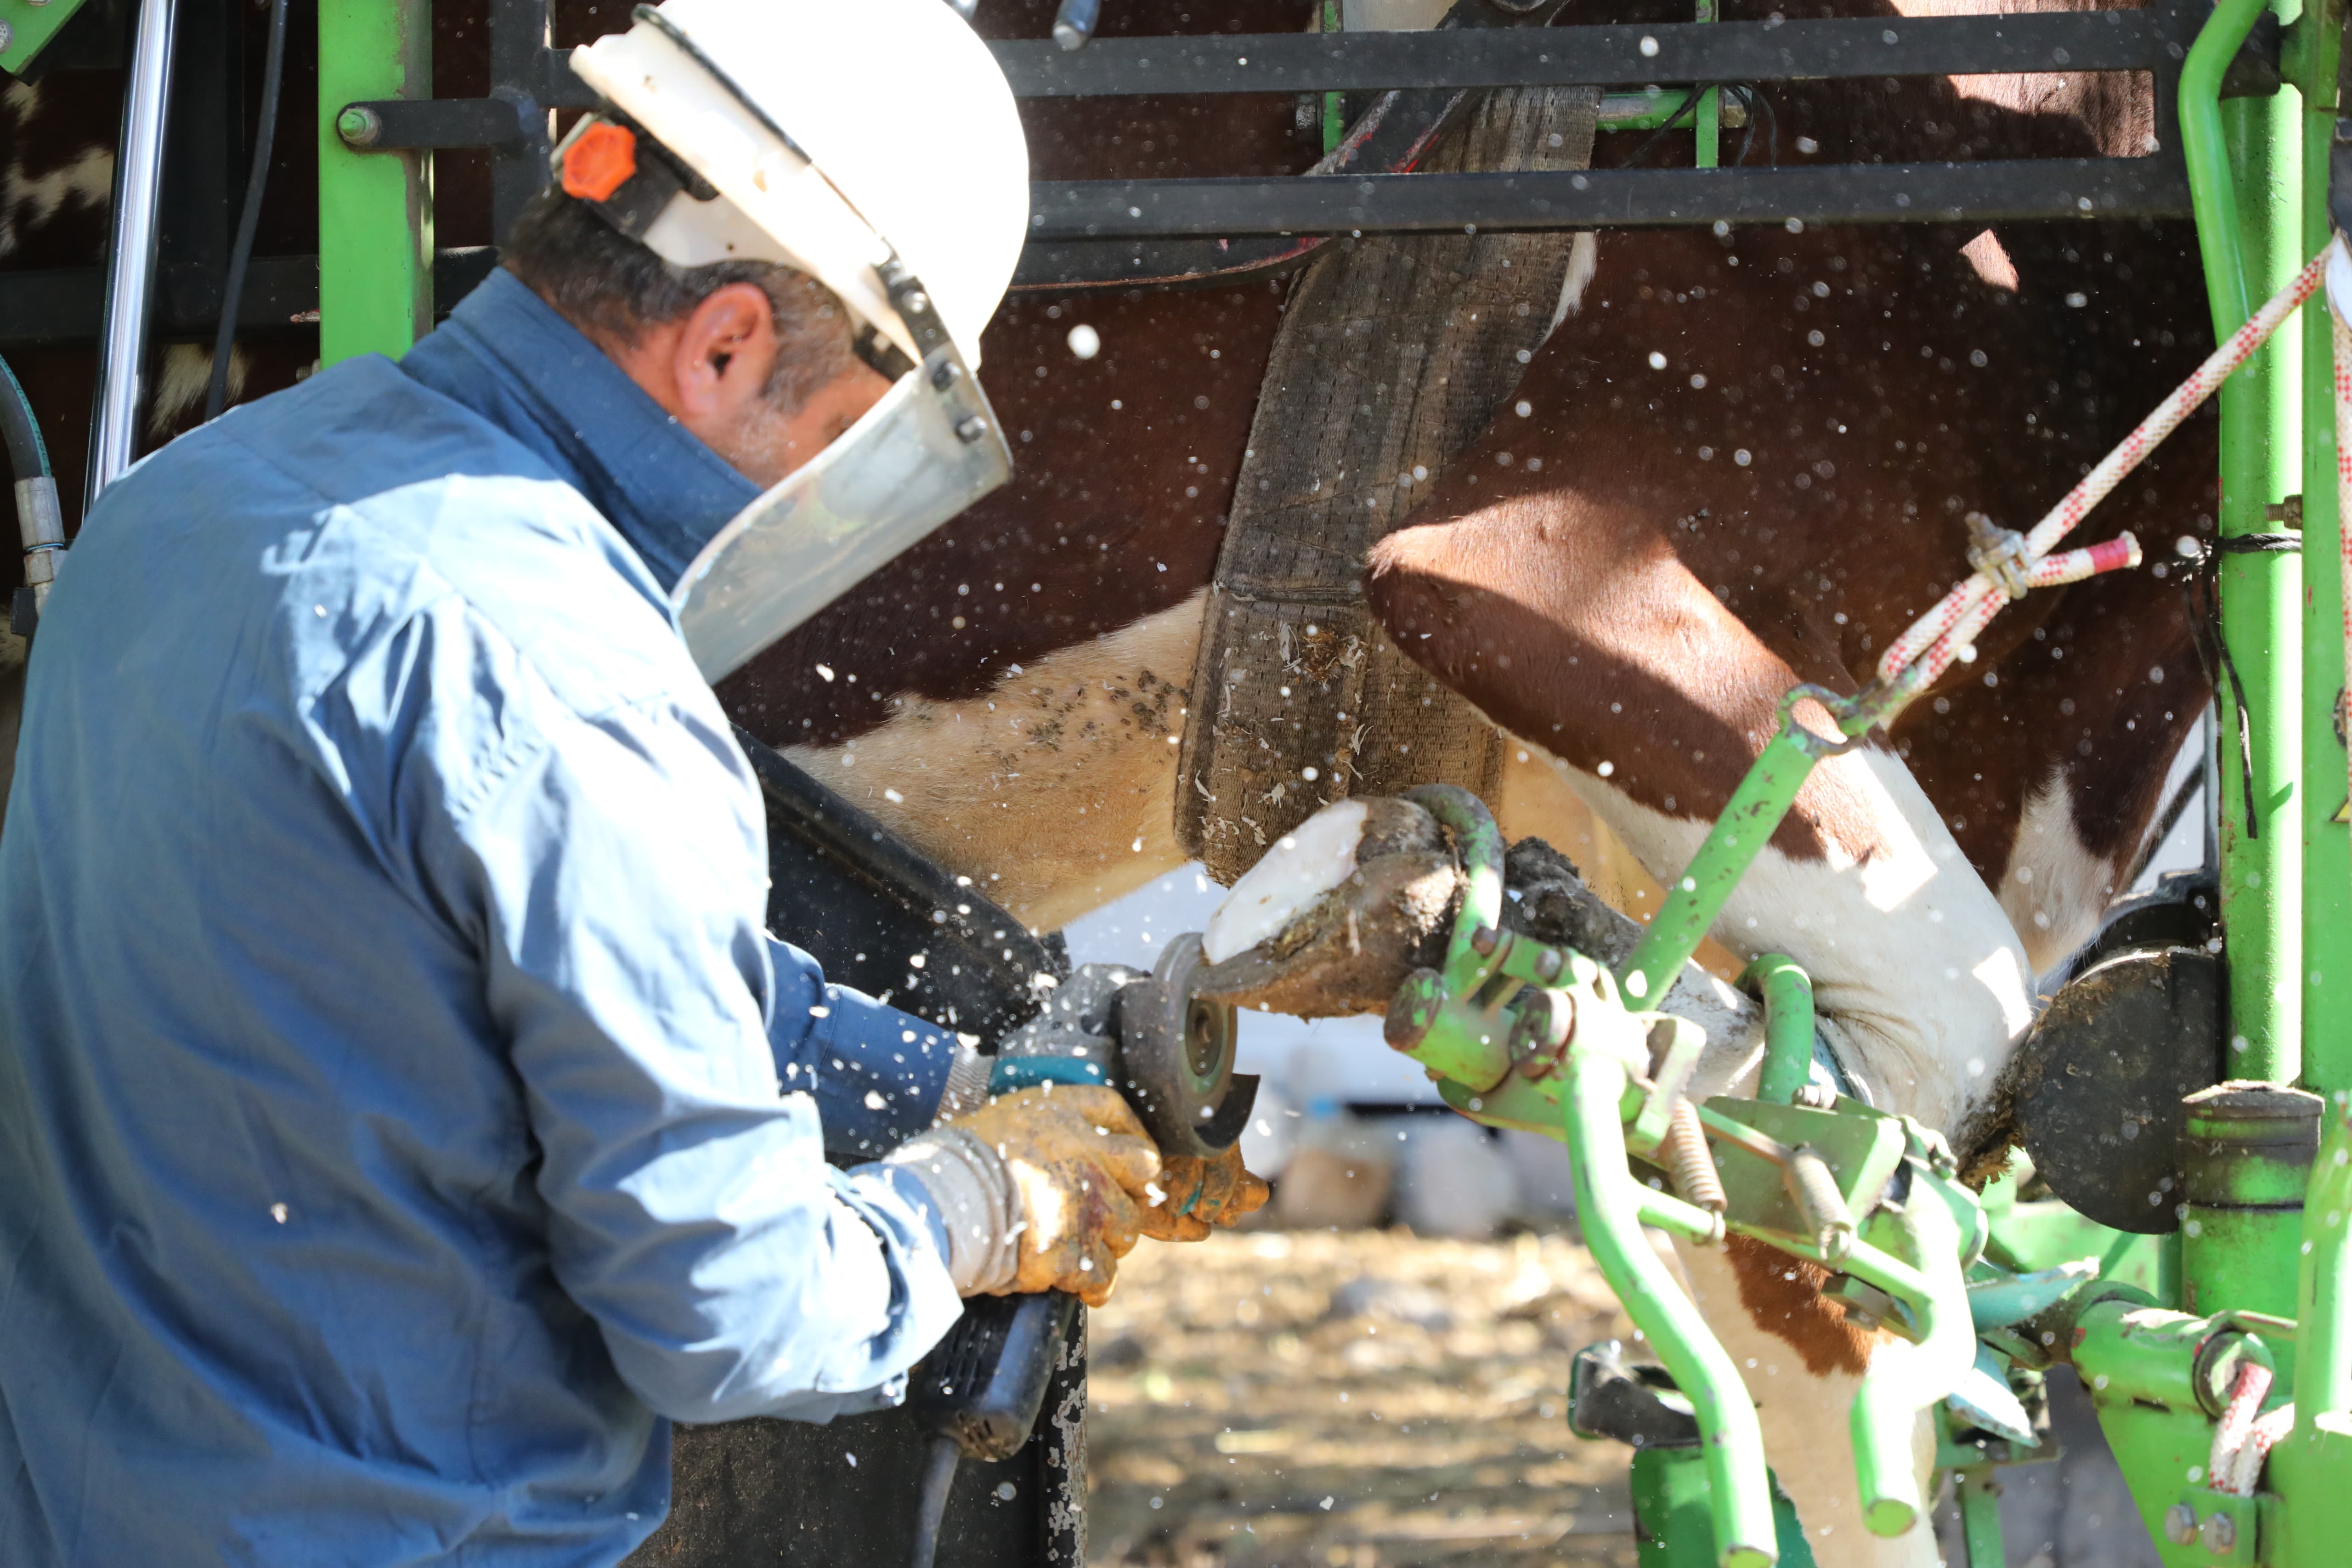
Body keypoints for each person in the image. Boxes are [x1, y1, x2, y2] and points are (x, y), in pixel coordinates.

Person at [0, 2, 1262, 1563]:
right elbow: (729, 1315)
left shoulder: (190, 505)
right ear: (726, 341)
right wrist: (977, 1205)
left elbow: (549, 969)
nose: (826, 495)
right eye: (846, 438)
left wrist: (946, 1081)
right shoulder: (576, 684)